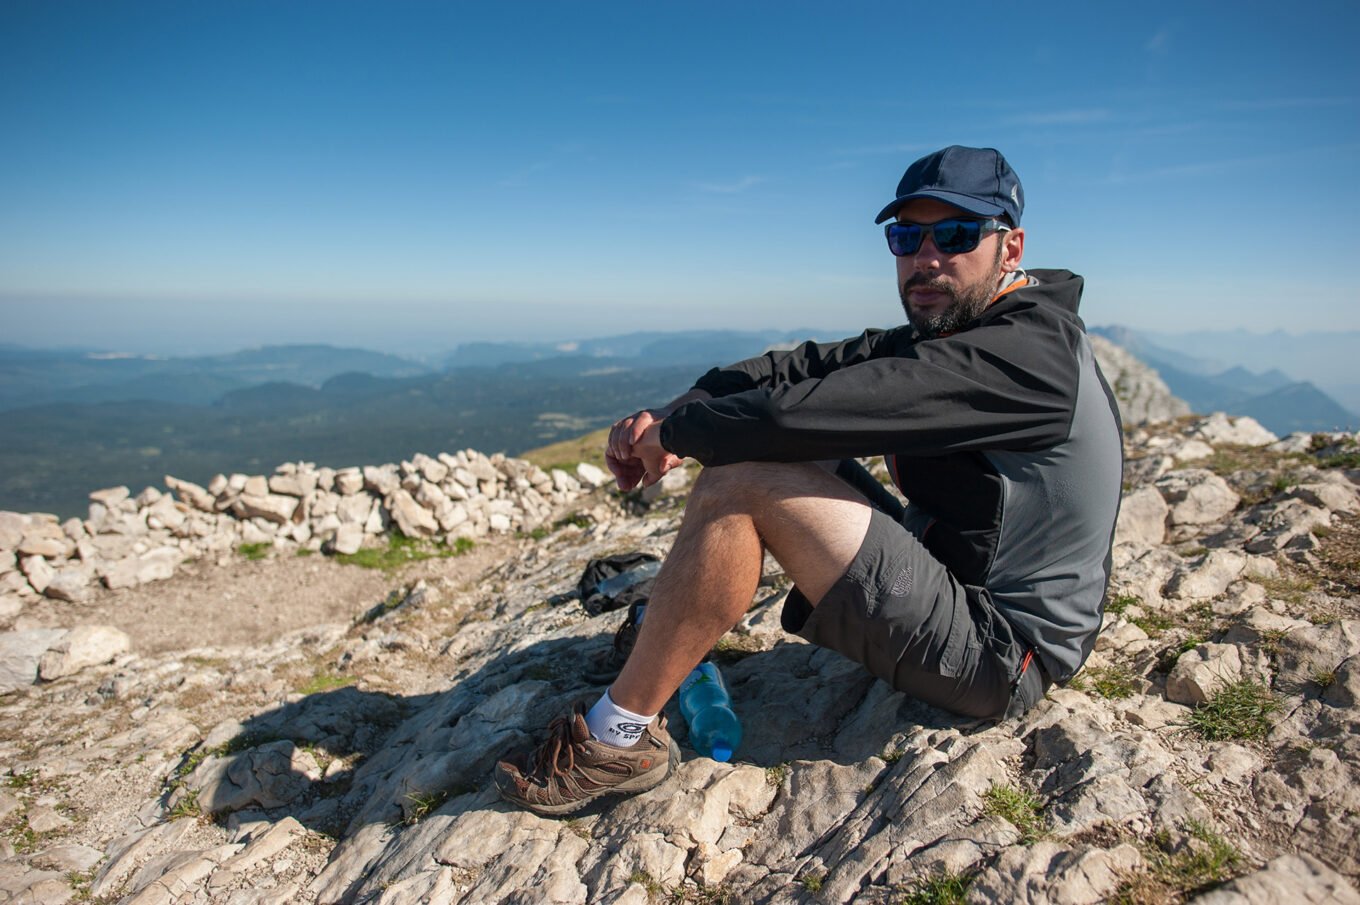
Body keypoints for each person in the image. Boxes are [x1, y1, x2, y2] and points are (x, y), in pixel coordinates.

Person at [495, 145, 1124, 816]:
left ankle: (617, 740)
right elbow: (796, 368)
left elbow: (796, 413)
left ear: (1010, 245)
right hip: (949, 572)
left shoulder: (1026, 357)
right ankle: (666, 641)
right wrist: (675, 409)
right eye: (907, 236)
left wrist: (675, 439)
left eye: (957, 233)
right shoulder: (967, 324)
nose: (927, 256)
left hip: (1001, 652)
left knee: (744, 477)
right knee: (749, 452)